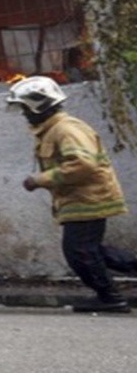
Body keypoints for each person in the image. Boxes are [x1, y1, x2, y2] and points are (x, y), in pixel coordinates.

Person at [7, 76, 135, 314]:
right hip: (78, 200)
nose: (24, 114)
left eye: (25, 108)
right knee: (90, 250)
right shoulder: (54, 130)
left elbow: (83, 164)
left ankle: (110, 298)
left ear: (38, 105)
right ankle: (110, 295)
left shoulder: (66, 130)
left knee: (79, 252)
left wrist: (39, 179)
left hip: (88, 199)